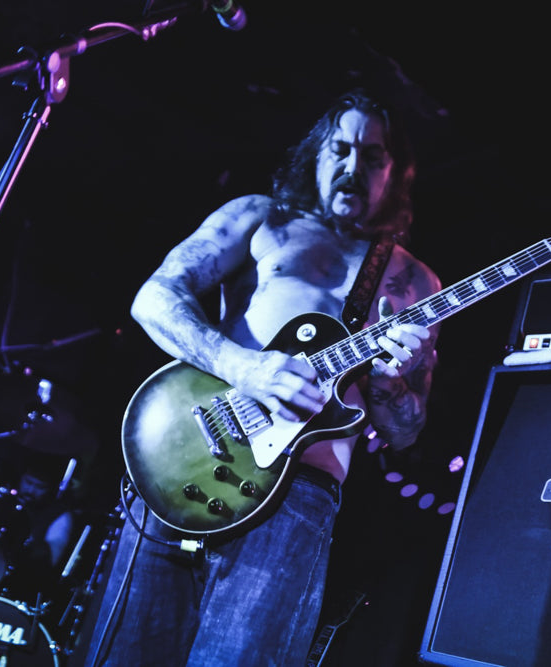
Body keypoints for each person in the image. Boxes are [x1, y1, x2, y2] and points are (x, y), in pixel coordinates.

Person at [83, 88, 441, 666]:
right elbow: (154, 297)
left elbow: (405, 432)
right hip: (187, 457)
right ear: (316, 156)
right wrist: (244, 366)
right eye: (340, 149)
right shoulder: (260, 218)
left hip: (299, 497)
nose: (353, 167)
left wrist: (390, 383)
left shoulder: (415, 282)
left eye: (374, 156)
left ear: (396, 172)